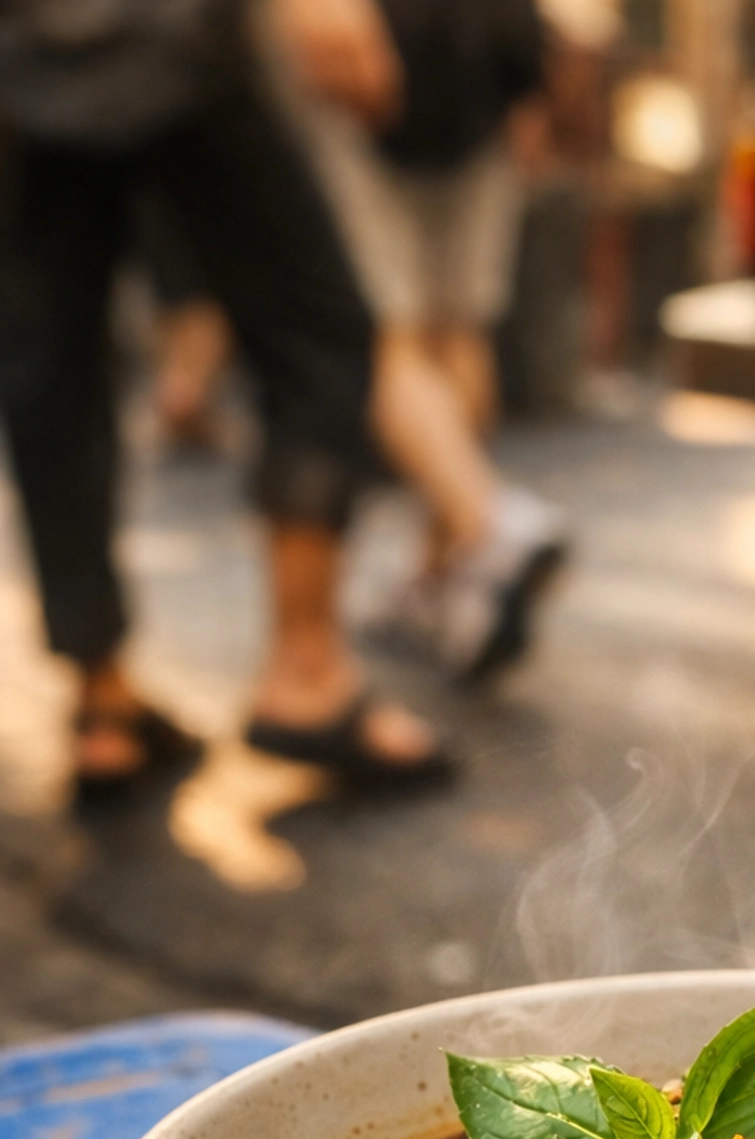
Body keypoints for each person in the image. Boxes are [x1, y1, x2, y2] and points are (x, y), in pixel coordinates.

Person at [0, 0, 448, 797]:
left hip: (24, 61)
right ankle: (308, 673)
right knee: (319, 331)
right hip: (168, 38)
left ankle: (100, 701)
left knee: (52, 367)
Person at [280, 0, 569, 678]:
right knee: (458, 330)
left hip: (369, 60)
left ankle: (487, 526)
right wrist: (530, 85)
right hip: (485, 75)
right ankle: (442, 581)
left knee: (380, 336)